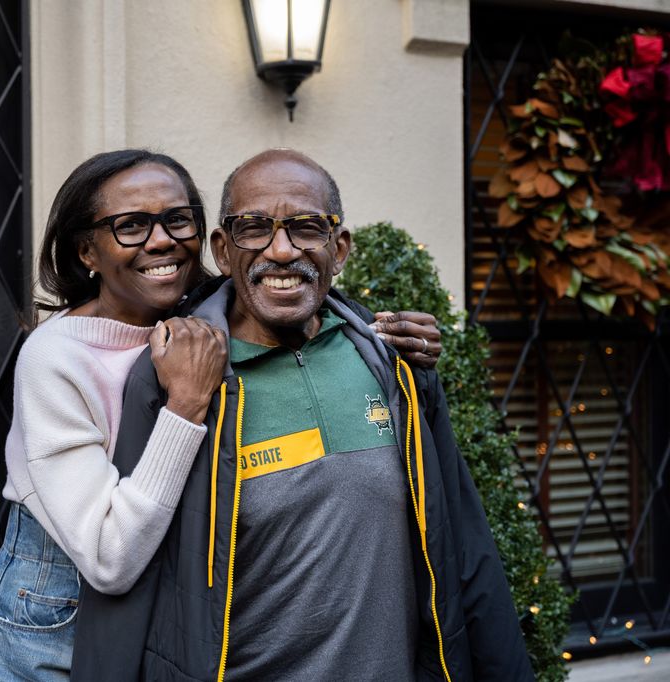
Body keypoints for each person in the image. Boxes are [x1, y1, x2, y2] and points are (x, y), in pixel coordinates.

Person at [0, 149, 444, 681]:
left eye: (177, 220)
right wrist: (186, 406)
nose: (161, 240)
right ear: (87, 251)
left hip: (153, 589)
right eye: (130, 226)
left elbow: (287, 294)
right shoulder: (56, 357)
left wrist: (385, 336)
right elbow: (108, 558)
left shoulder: (193, 316)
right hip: (55, 602)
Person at [71, 149, 533, 681]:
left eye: (306, 227)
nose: (282, 250)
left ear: (338, 249)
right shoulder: (174, 378)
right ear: (223, 249)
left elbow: (465, 551)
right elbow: (128, 593)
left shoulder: (395, 367)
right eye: (254, 228)